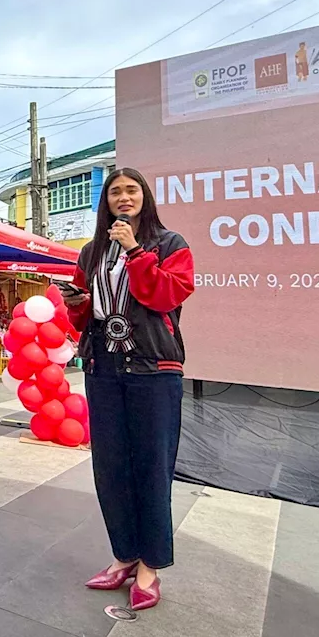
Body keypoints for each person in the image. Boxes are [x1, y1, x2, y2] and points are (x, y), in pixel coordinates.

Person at [66, 168, 194, 612]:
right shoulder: (91, 251)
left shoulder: (169, 244)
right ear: (106, 201)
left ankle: (150, 567)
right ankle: (123, 555)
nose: (123, 197)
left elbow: (165, 297)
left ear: (144, 197)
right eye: (115, 191)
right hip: (103, 364)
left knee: (151, 469)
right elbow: (83, 316)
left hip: (153, 368)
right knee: (111, 467)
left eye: (131, 190)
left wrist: (136, 251)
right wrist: (76, 304)